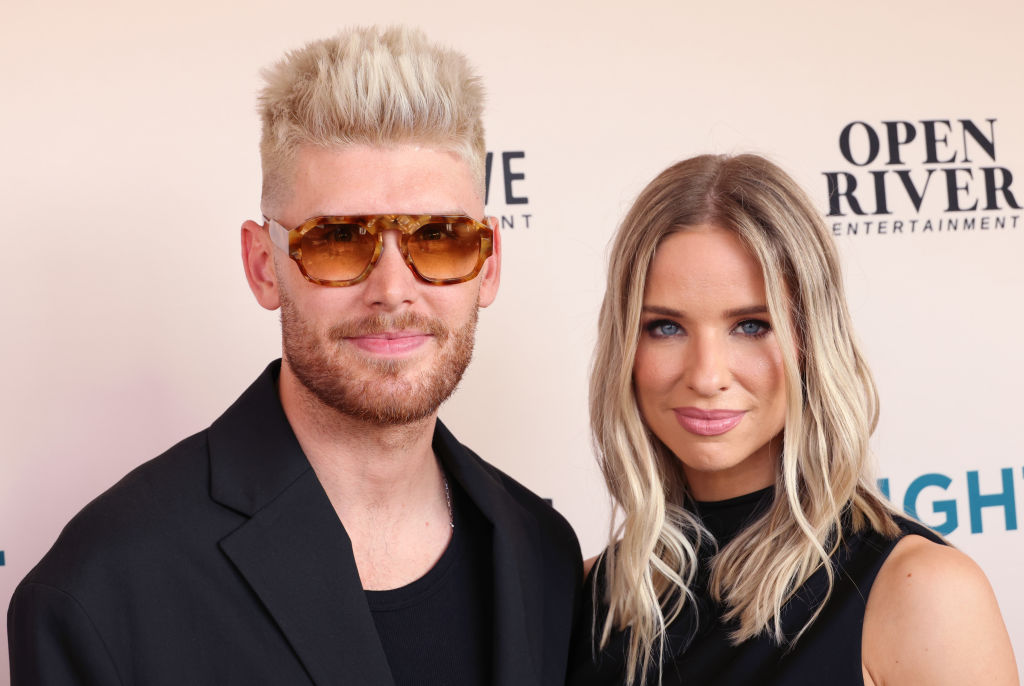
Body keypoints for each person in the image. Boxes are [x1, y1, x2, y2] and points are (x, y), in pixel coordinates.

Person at [9, 26, 581, 686]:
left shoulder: (544, 555)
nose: (393, 290)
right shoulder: (100, 592)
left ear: (488, 264)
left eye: (439, 238)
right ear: (263, 266)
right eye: (338, 240)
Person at [567, 154, 1018, 686]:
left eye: (751, 325)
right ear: (624, 346)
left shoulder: (921, 592)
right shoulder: (585, 598)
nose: (707, 376)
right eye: (666, 327)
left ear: (812, 341)